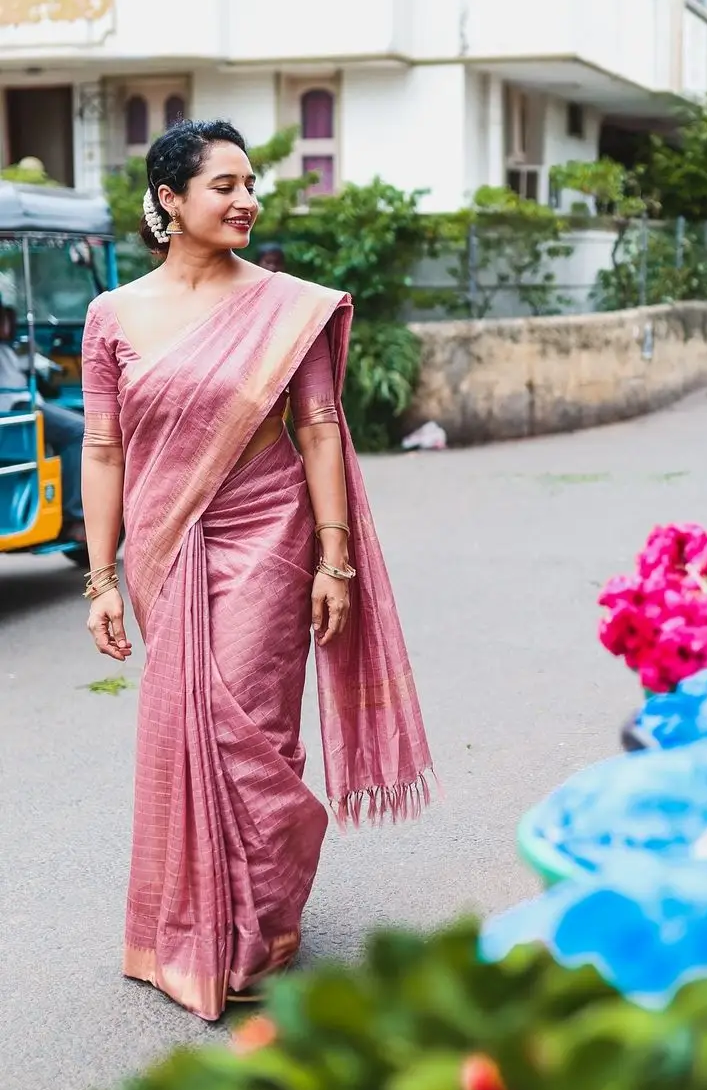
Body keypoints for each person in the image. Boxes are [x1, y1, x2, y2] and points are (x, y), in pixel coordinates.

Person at [80, 119, 435, 1021]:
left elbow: (319, 429)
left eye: (251, 185)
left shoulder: (289, 306)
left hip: (271, 533)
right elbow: (105, 448)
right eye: (224, 186)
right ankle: (194, 924)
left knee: (252, 731)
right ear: (170, 200)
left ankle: (255, 933)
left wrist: (336, 558)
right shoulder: (112, 316)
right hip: (164, 546)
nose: (247, 200)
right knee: (187, 721)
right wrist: (100, 577)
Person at [0, 304, 87, 541]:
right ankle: (75, 515)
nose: (9, 324)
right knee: (80, 431)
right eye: (4, 318)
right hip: (15, 409)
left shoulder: (10, 349)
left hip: (26, 404)